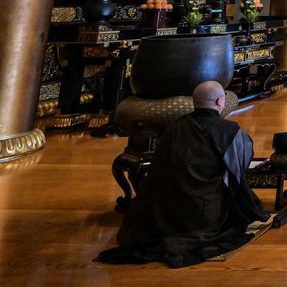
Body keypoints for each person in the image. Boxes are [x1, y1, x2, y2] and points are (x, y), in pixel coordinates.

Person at [96, 82, 268, 268]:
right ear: (220, 101)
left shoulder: (174, 128)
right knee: (235, 194)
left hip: (166, 214)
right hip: (203, 215)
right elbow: (239, 168)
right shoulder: (229, 132)